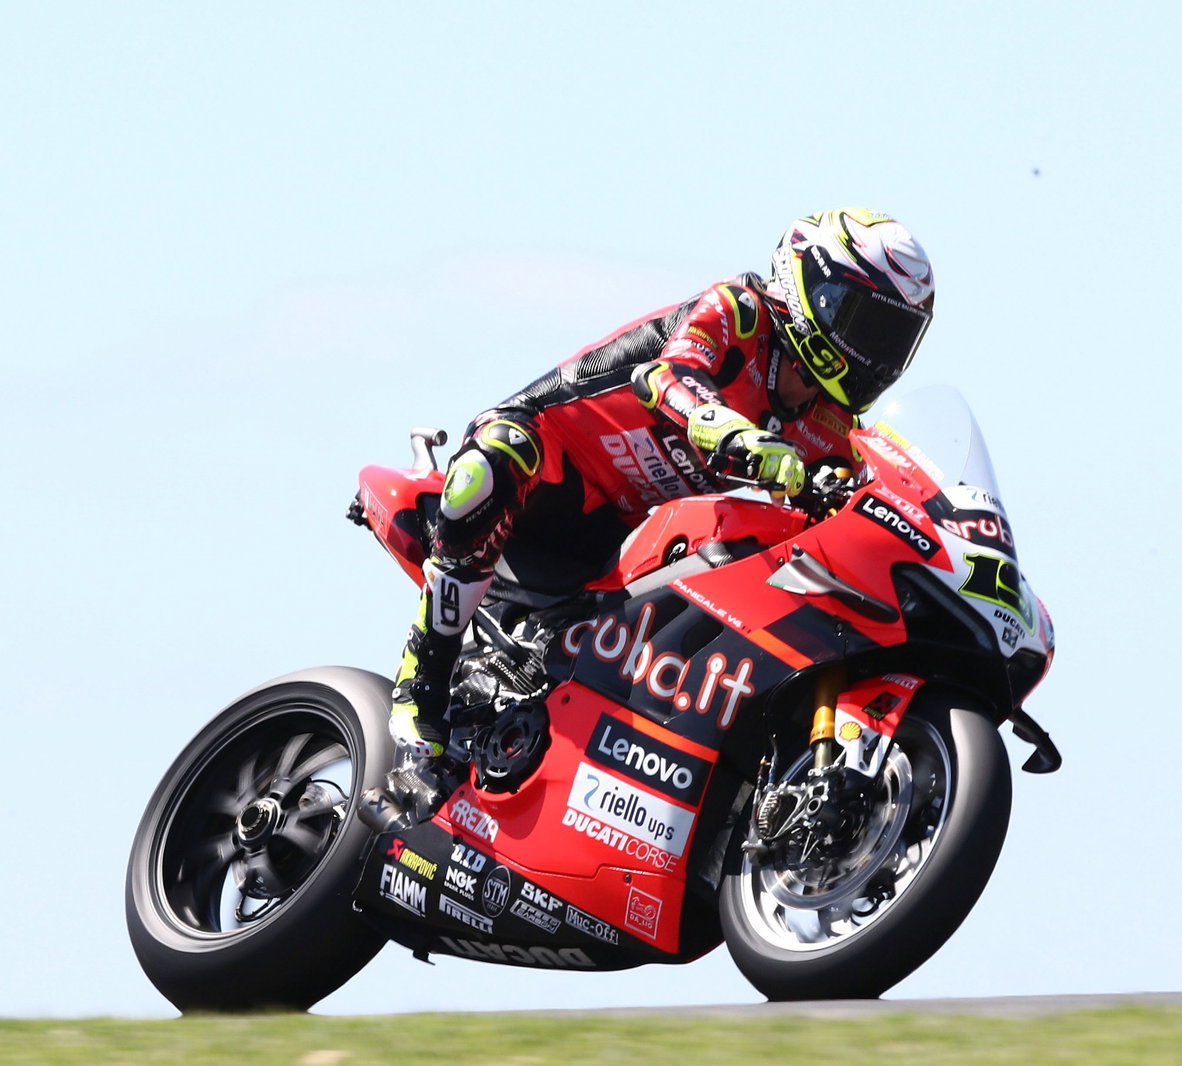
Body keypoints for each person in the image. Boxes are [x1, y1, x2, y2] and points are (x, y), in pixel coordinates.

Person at [386, 207, 936, 782]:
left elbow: (865, 503)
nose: (874, 354)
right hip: (554, 466)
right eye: (863, 325)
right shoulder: (740, 314)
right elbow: (668, 377)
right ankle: (421, 681)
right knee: (495, 461)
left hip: (633, 535)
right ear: (811, 290)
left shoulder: (832, 430)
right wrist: (731, 432)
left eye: (893, 340)